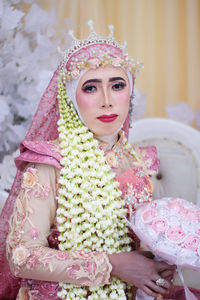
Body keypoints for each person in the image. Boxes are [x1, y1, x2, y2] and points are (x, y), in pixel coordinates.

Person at [0, 20, 178, 300]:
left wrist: (153, 270)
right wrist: (114, 265)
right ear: (71, 98)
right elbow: (22, 256)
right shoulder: (50, 162)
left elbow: (140, 246)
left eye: (117, 85)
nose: (106, 101)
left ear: (129, 93)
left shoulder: (140, 162)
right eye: (91, 88)